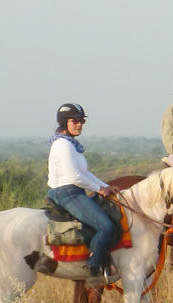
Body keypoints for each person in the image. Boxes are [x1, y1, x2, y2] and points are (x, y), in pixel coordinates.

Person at [46, 103, 121, 288]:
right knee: (106, 226)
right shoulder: (63, 145)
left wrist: (105, 186)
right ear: (65, 123)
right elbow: (74, 177)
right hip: (66, 192)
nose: (79, 125)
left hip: (74, 190)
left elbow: (84, 173)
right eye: (75, 121)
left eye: (82, 121)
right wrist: (99, 189)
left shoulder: (71, 144)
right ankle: (93, 269)